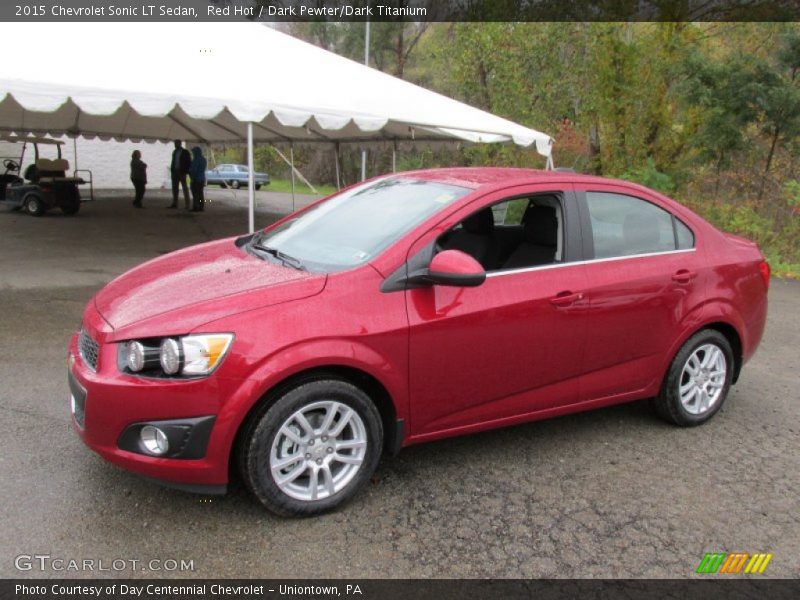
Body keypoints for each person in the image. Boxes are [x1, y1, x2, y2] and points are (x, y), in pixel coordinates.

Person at [169, 140, 191, 209]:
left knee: (185, 188)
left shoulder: (185, 152)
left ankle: (187, 204)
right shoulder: (174, 152)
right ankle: (175, 203)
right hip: (175, 171)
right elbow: (173, 161)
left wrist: (186, 171)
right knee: (175, 188)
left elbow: (188, 162)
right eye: (175, 144)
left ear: (180, 144)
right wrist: (172, 169)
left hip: (182, 172)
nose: (175, 145)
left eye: (176, 143)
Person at [189, 146, 207, 212]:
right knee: (200, 194)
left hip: (196, 179)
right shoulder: (204, 159)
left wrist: (191, 176)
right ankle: (201, 206)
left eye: (193, 151)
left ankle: (195, 207)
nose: (192, 153)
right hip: (202, 178)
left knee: (195, 194)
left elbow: (194, 170)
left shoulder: (196, 159)